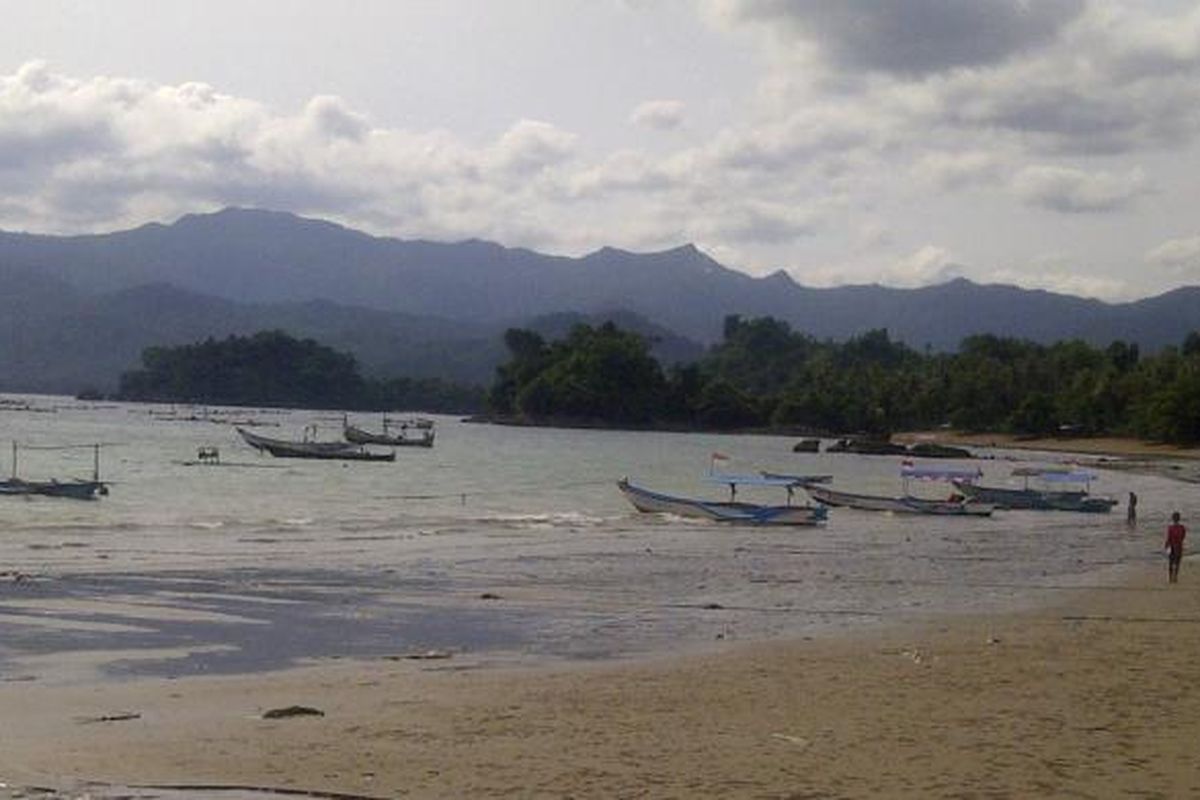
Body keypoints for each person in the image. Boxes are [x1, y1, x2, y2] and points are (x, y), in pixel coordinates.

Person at [1165, 511, 1186, 584]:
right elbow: (1183, 537)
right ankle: (1175, 577)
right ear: (1179, 519)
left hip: (1172, 547)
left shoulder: (1170, 528)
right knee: (1177, 563)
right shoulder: (1182, 527)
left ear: (1172, 519)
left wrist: (1166, 545)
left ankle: (1170, 577)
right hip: (1179, 547)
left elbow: (1168, 538)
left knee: (1170, 563)